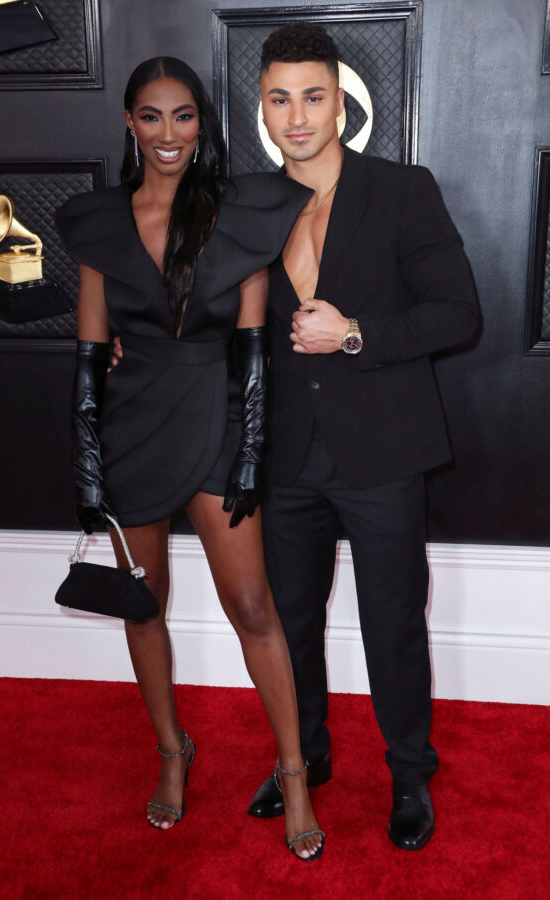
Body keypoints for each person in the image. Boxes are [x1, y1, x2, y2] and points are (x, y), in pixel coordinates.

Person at [55, 56, 325, 861]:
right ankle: (173, 752)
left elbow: (252, 351)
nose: (168, 133)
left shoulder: (240, 211)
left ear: (203, 124)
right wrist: (87, 465)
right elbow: (87, 352)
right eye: (150, 116)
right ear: (130, 124)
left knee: (252, 608)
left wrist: (248, 456)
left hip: (214, 420)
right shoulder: (98, 220)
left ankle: (295, 771)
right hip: (134, 427)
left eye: (183, 117)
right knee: (145, 606)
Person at [245, 23, 481, 850]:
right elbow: (210, 318)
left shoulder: (401, 188)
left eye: (313, 95)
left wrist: (353, 333)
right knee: (290, 621)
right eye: (280, 97)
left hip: (382, 448)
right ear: (264, 107)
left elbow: (458, 313)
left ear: (340, 103)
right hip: (284, 453)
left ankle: (411, 775)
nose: (297, 115)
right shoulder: (248, 203)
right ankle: (302, 759)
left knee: (392, 621)